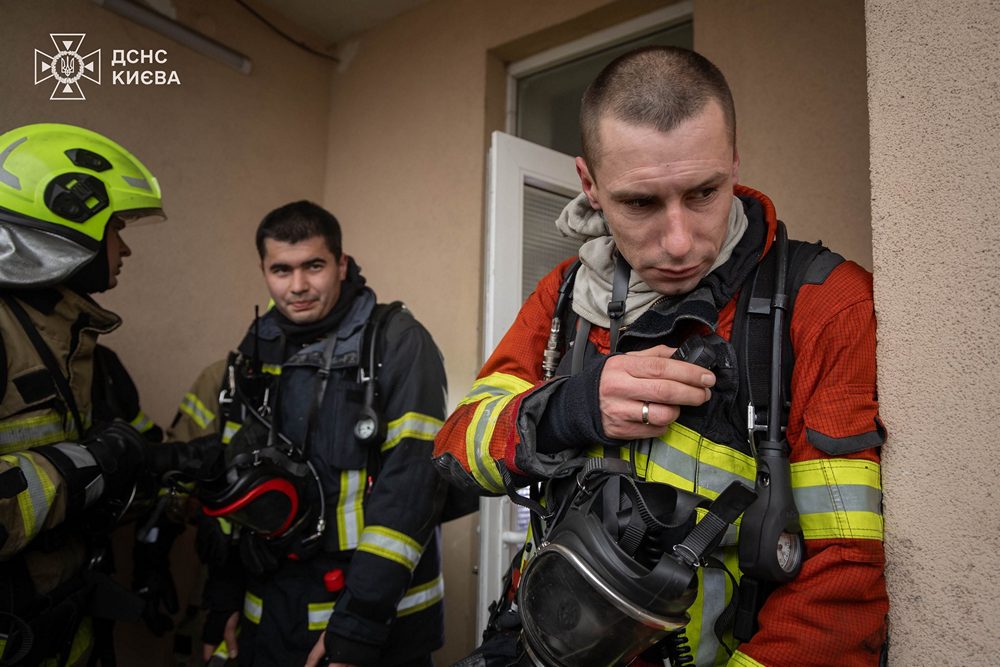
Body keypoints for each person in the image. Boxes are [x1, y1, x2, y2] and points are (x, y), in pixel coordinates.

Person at [433, 47, 888, 666]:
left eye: (704, 192)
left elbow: (843, 584)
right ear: (589, 185)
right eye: (640, 204)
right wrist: (569, 410)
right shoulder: (566, 295)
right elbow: (456, 454)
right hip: (539, 640)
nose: (678, 242)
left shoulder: (824, 306)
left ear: (734, 159)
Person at [172, 200, 449, 666]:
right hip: (271, 615)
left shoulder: (398, 341)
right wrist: (222, 601)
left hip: (376, 625)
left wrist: (358, 625)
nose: (297, 286)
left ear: (341, 264)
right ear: (263, 269)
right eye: (281, 270)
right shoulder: (257, 345)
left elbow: (412, 490)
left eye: (313, 266)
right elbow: (235, 475)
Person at [0, 123, 177, 664]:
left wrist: (177, 470)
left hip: (66, 631)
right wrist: (85, 467)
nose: (124, 248)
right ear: (66, 223)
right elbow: (98, 460)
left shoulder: (85, 354)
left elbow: (138, 444)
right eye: (115, 228)